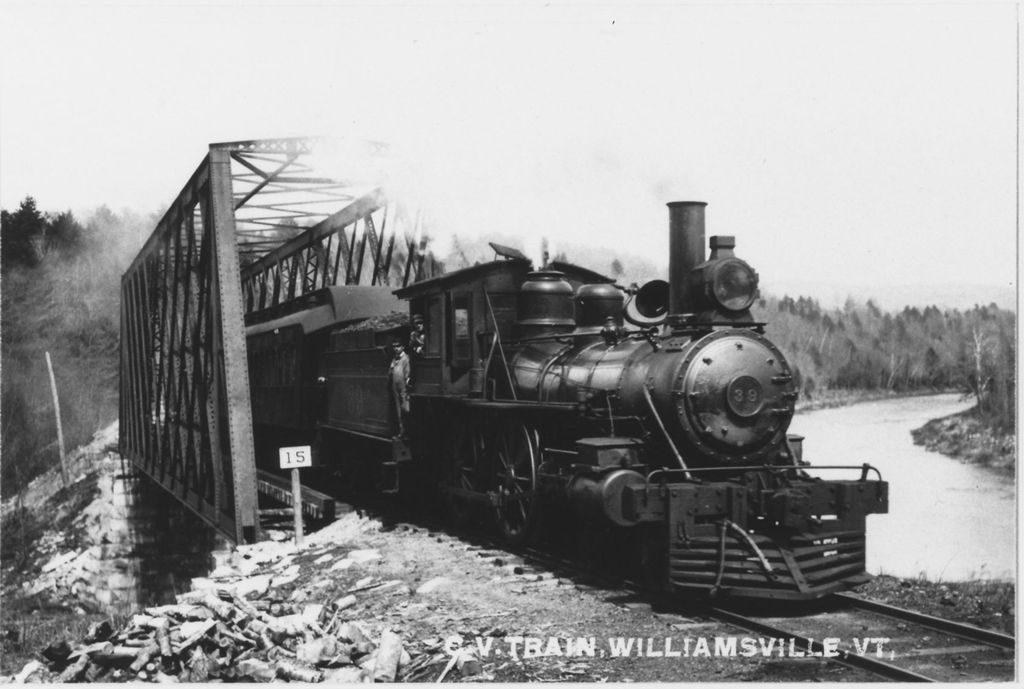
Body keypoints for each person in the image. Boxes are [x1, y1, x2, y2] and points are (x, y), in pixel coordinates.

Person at [388, 339, 411, 437]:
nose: (396, 348)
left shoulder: (405, 358)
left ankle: (406, 430)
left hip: (403, 387)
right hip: (395, 387)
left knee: (405, 409)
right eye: (394, 346)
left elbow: (407, 373)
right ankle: (401, 430)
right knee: (398, 410)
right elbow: (390, 372)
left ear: (402, 347)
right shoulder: (394, 359)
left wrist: (407, 385)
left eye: (398, 346)